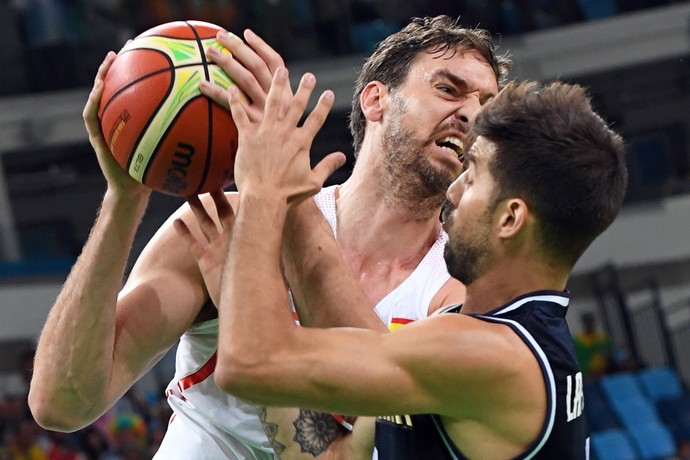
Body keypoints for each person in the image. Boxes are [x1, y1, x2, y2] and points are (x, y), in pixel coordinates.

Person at [28, 15, 510, 459]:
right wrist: (125, 197)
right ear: (375, 99)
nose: (471, 115)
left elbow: (371, 420)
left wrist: (278, 232)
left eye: (486, 106)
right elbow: (61, 404)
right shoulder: (225, 221)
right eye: (449, 89)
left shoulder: (460, 291)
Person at [188, 77, 628, 458]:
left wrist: (262, 192)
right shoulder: (490, 337)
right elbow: (336, 456)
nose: (453, 192)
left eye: (472, 178)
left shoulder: (487, 356)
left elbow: (248, 365)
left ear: (510, 218)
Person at [573, 311, 612, 380]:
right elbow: (579, 359)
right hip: (588, 376)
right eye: (587, 322)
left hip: (604, 374)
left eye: (591, 321)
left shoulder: (602, 338)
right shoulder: (578, 340)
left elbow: (609, 355)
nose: (589, 324)